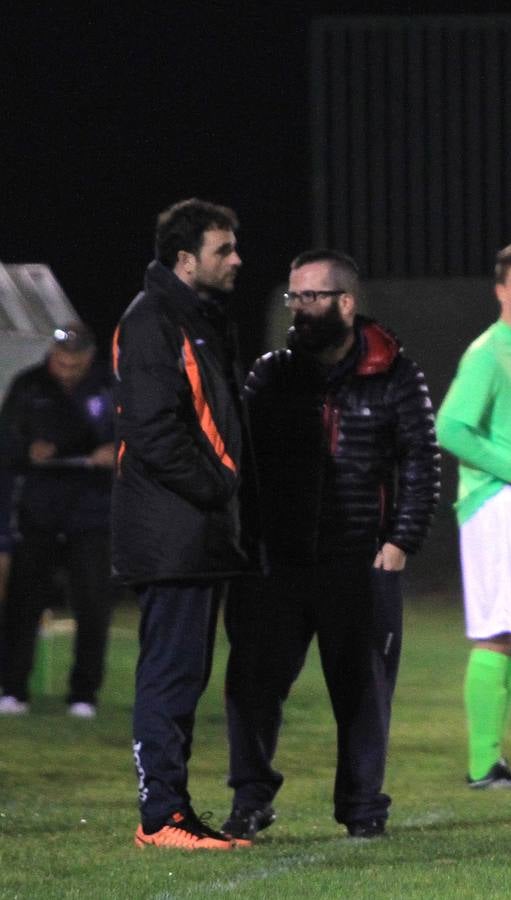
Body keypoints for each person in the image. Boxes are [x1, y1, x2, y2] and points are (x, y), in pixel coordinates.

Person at [222, 249, 440, 842]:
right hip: (278, 562)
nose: (299, 307)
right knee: (252, 685)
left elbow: (421, 459)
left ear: (346, 303)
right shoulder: (271, 374)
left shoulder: (397, 373)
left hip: (358, 559)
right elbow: (245, 462)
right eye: (294, 296)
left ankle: (363, 808)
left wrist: (400, 541)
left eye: (312, 296)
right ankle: (250, 800)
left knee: (363, 694)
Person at [114, 198, 253, 850]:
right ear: (184, 258)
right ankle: (161, 816)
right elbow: (153, 431)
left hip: (195, 531)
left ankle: (175, 812)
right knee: (169, 672)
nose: (236, 260)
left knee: (186, 674)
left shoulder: (196, 318)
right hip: (172, 530)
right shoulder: (153, 322)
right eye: (223, 249)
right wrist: (220, 485)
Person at [435, 242, 511, 789]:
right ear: (501, 291)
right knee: (497, 634)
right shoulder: (488, 351)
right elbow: (450, 427)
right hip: (494, 504)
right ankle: (483, 765)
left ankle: (494, 760)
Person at [0, 323, 117, 717]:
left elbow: (136, 437)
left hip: (92, 511)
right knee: (23, 602)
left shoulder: (110, 386)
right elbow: (6, 439)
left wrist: (115, 451)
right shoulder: (29, 385)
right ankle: (13, 689)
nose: (65, 370)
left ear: (89, 358)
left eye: (74, 364)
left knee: (93, 604)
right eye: (60, 362)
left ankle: (84, 694)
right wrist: (26, 448)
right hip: (40, 509)